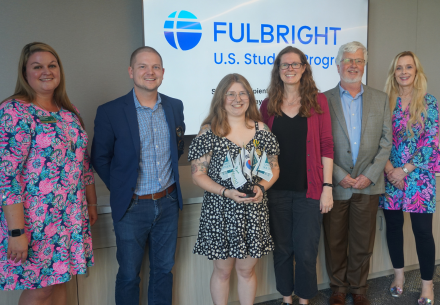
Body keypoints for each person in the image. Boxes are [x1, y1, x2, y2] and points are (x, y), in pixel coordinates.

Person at [0, 42, 97, 305]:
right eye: (37, 66)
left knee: (61, 280)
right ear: (25, 72)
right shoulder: (14, 111)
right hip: (34, 220)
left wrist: (90, 203)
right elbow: (7, 177)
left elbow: (83, 164)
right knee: (40, 288)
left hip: (71, 215)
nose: (46, 71)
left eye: (52, 65)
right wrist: (17, 232)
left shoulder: (69, 112)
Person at [91, 46, 185, 305]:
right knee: (130, 275)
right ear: (131, 72)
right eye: (142, 66)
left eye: (155, 66)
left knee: (163, 272)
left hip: (168, 204)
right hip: (132, 206)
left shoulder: (174, 106)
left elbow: (177, 147)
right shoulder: (110, 111)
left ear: (163, 72)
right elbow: (99, 157)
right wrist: (123, 187)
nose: (150, 72)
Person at [188, 73, 280, 305]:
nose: (237, 99)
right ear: (221, 98)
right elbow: (197, 174)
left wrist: (262, 187)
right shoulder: (209, 132)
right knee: (222, 272)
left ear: (250, 97)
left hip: (253, 210)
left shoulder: (262, 131)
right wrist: (225, 192)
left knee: (246, 271)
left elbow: (274, 169)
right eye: (231, 93)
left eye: (242, 93)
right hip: (220, 211)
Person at [259, 46, 334, 305]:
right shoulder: (267, 105)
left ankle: (304, 300)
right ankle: (286, 298)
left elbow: (326, 145)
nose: (289, 69)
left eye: (295, 64)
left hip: (309, 190)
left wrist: (327, 187)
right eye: (284, 65)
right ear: (278, 70)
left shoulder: (318, 101)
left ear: (304, 68)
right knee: (282, 250)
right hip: (275, 191)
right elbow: (257, 145)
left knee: (305, 251)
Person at [323, 41, 392, 305]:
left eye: (358, 60)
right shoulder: (322, 100)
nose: (353, 65)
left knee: (363, 241)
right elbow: (319, 142)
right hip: (336, 184)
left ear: (364, 65)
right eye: (348, 60)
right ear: (338, 65)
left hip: (368, 183)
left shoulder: (380, 98)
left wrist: (371, 174)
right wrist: (338, 174)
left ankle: (359, 289)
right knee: (335, 240)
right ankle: (338, 288)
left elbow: (387, 142)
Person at [380, 51, 438, 305]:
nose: (404, 72)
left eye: (409, 68)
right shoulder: (385, 101)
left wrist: (405, 170)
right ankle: (399, 277)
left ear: (416, 72)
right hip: (389, 173)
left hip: (419, 176)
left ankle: (427, 286)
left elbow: (431, 141)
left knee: (422, 232)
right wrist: (391, 169)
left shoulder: (429, 102)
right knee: (393, 228)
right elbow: (379, 139)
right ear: (394, 72)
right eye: (399, 68)